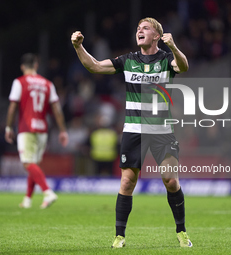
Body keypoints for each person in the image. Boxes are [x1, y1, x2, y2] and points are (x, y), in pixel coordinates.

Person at [71, 17, 192, 248]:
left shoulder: (167, 59)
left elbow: (184, 66)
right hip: (133, 130)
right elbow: (94, 65)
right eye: (138, 28)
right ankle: (119, 236)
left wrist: (174, 46)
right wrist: (78, 46)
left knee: (170, 180)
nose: (140, 31)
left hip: (162, 131)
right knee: (127, 183)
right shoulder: (128, 60)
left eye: (145, 28)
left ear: (157, 35)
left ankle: (181, 231)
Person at [5, 53, 68, 209]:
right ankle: (27, 200)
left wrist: (8, 127)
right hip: (42, 129)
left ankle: (47, 192)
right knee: (34, 166)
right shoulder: (48, 84)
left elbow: (13, 106)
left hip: (26, 128)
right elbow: (57, 109)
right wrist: (62, 131)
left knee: (28, 164)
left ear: (22, 67)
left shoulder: (20, 82)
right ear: (36, 65)